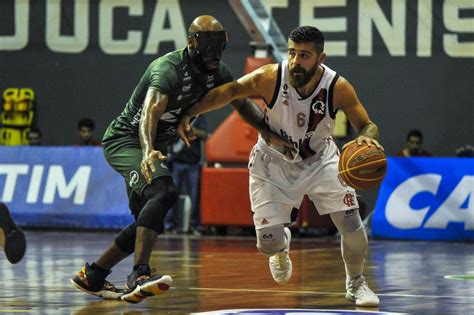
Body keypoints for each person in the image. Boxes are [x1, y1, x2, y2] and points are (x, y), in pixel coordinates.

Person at [70, 15, 291, 304]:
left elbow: (241, 101)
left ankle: (94, 275)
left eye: (219, 50)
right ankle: (139, 274)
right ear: (191, 42)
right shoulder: (168, 69)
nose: (215, 57)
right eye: (209, 50)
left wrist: (269, 131)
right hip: (129, 141)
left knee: (148, 221)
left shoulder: (218, 70)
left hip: (153, 145)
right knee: (164, 192)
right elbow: (150, 111)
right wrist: (148, 149)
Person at [183, 26, 383, 307]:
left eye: (304, 55)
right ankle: (280, 246)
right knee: (267, 243)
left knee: (351, 223)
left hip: (320, 160)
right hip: (272, 162)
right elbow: (230, 91)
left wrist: (367, 137)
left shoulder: (336, 86)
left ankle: (356, 283)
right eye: (291, 53)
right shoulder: (270, 77)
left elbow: (367, 124)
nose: (295, 61)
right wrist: (189, 113)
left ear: (320, 58)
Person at [164, 115, 208, 235]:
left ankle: (196, 226)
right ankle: (169, 225)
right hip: (177, 161)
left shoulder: (199, 117)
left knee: (194, 196)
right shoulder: (177, 116)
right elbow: (168, 135)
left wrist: (193, 130)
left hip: (193, 163)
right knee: (172, 195)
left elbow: (205, 135)